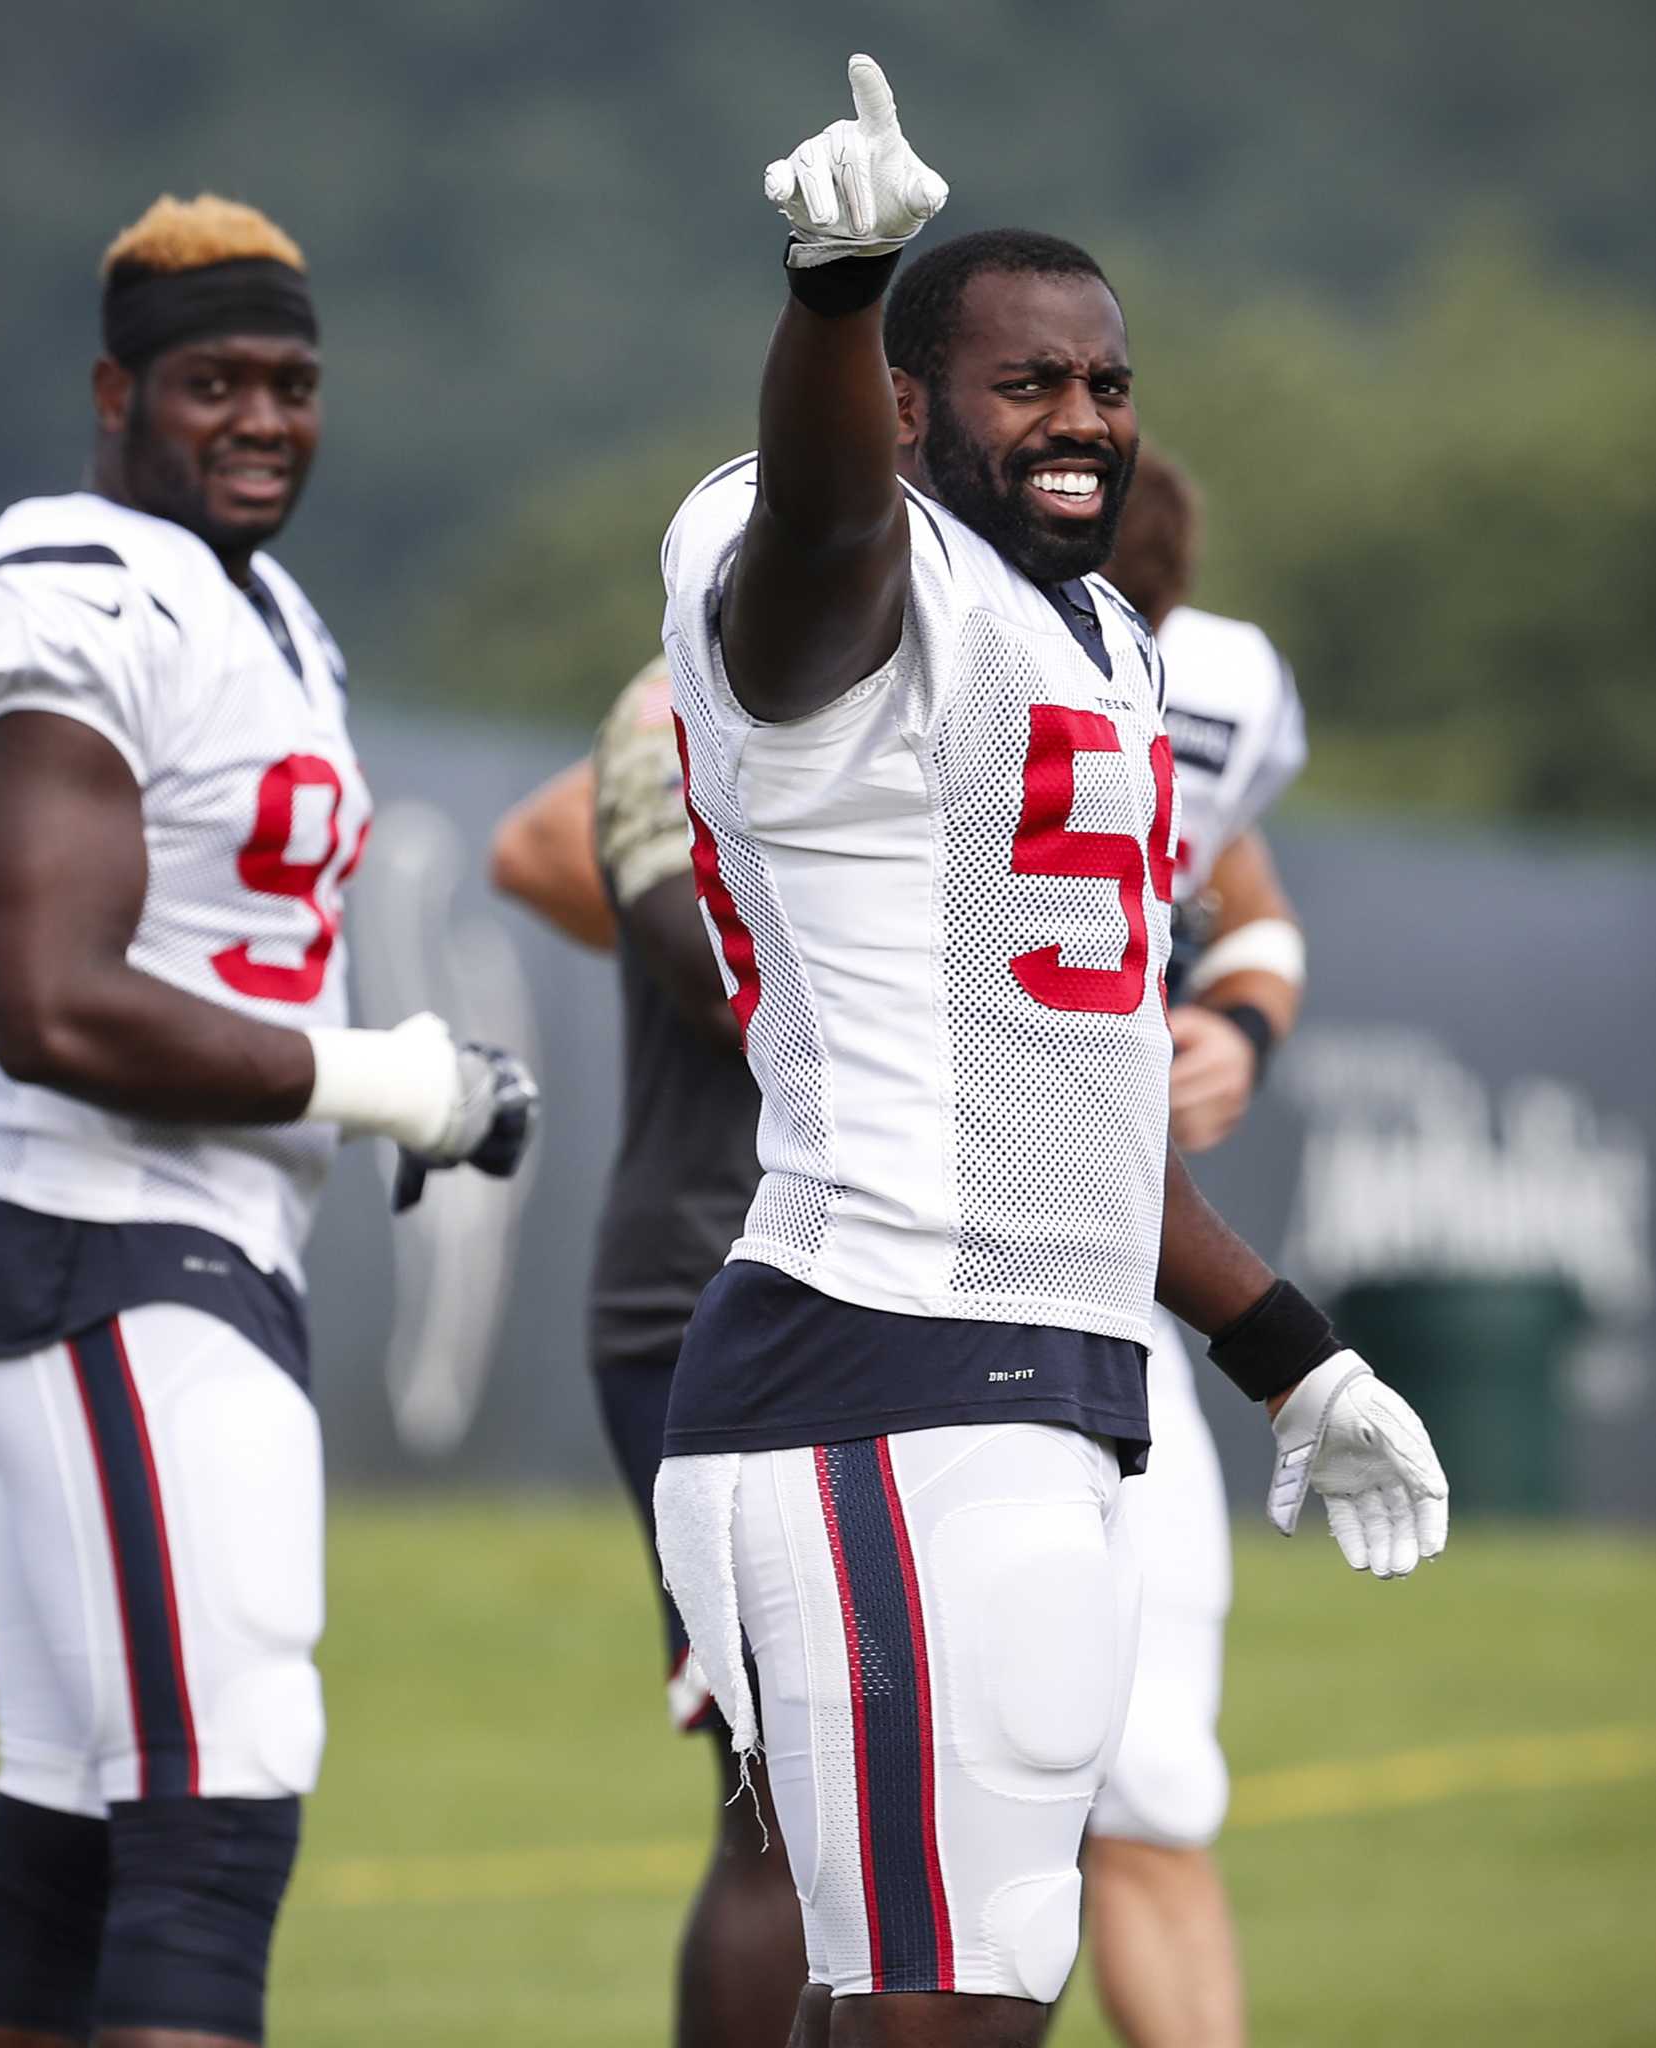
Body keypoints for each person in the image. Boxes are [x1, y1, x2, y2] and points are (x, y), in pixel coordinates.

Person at [648, 57, 1447, 2048]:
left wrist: (1294, 1352)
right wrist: (834, 292)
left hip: (1030, 1377)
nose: (1085, 419)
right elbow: (824, 550)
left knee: (955, 1994)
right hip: (875, 1366)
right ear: (910, 407)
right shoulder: (837, 559)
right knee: (950, 2005)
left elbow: (1076, 1109)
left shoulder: (1096, 638)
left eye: (1107, 382)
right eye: (1030, 383)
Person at [494, 452, 1305, 2048]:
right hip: (761, 1271)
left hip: (996, 1293)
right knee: (790, 1814)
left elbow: (1238, 897)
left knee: (1011, 1811)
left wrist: (1237, 1020)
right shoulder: (747, 651)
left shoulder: (1111, 672)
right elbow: (547, 849)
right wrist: (859, 965)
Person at [0, 194, 534, 2048]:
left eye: (292, 380)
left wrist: (368, 1092)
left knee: (76, 1829)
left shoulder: (261, 607)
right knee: (219, 1798)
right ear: (117, 392)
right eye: (214, 383)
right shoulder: (77, 590)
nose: (262, 418)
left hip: (184, 1241)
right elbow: (55, 1002)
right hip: (99, 1236)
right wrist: (391, 1079)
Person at [493, 662, 804, 2048]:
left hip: (925, 1292)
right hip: (723, 1297)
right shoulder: (691, 668)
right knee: (783, 1804)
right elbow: (704, 972)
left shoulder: (993, 638)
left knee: (998, 1790)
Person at [1080, 447, 1309, 2048]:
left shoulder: (1201, 685)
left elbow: (1247, 901)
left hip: (1112, 1274)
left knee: (1153, 1779)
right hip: (890, 1282)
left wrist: (1235, 1017)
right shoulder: (881, 637)